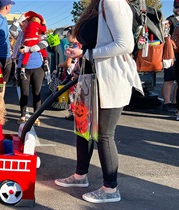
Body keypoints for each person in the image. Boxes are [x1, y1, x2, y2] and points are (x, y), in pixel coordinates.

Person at [54, 0, 144, 203]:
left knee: (104, 134)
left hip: (111, 78)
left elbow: (125, 44)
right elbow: (93, 43)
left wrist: (86, 54)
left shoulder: (114, 2)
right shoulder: (99, 4)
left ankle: (111, 189)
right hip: (92, 76)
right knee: (83, 129)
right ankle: (80, 176)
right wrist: (80, 62)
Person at [9, 13, 48, 126]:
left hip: (38, 67)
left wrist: (32, 48)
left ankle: (36, 117)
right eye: (22, 22)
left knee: (37, 92)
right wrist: (18, 20)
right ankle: (22, 115)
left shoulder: (38, 32)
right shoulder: (21, 35)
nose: (23, 23)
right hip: (24, 67)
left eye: (25, 21)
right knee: (24, 93)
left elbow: (45, 42)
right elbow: (12, 30)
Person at [58, 28, 82, 120]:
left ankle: (72, 113)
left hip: (72, 72)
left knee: (71, 93)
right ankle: (79, 112)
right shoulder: (82, 46)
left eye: (68, 36)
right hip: (81, 72)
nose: (67, 38)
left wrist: (60, 65)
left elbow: (68, 63)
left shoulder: (73, 47)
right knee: (79, 94)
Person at [20, 12, 49, 81]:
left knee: (26, 55)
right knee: (42, 50)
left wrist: (22, 47)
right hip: (34, 41)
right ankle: (46, 62)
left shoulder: (27, 28)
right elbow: (44, 30)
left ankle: (22, 69)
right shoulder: (36, 25)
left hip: (26, 42)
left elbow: (21, 42)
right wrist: (44, 24)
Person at [165, 0, 179, 116]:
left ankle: (175, 102)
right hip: (171, 54)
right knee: (169, 79)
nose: (178, 9)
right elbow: (165, 36)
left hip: (177, 53)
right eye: (176, 7)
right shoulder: (170, 20)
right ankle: (166, 102)